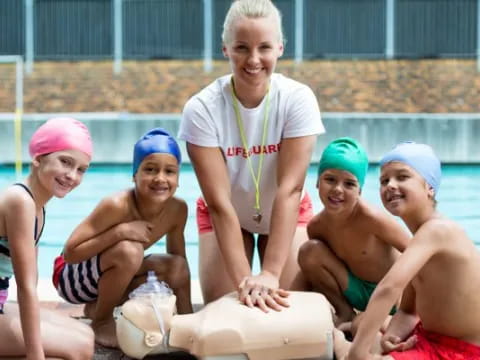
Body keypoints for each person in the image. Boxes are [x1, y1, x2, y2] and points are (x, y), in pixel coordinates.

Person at [178, 0, 324, 312]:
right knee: (229, 313)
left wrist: (270, 273)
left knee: (288, 311)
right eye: (242, 47)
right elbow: (219, 204)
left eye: (264, 48)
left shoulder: (298, 100)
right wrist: (247, 283)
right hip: (227, 212)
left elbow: (290, 189)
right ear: (225, 49)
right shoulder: (202, 109)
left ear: (280, 48)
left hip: (285, 210)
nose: (254, 59)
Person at [52, 128, 193, 348]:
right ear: (134, 174)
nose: (160, 178)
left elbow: (179, 268)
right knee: (130, 250)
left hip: (103, 274)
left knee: (177, 266)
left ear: (178, 177)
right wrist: (120, 232)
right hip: (70, 277)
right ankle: (101, 321)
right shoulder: (117, 205)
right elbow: (70, 253)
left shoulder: (178, 210)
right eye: (150, 169)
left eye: (170, 171)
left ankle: (99, 306)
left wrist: (187, 323)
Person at [338, 142, 480, 360]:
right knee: (363, 325)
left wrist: (357, 353)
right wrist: (392, 336)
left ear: (429, 187)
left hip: (461, 352)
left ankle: (341, 342)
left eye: (402, 177)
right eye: (384, 180)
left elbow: (389, 288)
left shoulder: (438, 230)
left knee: (361, 346)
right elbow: (408, 312)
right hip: (427, 338)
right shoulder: (421, 239)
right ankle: (349, 334)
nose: (390, 185)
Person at [0, 117, 95, 359]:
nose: (72, 175)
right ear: (38, 158)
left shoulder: (37, 207)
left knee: (85, 335)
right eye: (65, 162)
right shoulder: (19, 201)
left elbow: (30, 283)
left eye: (81, 169)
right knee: (79, 347)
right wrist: (36, 354)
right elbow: (25, 288)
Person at [298, 137, 410, 332]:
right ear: (317, 182)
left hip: (390, 294)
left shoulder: (372, 218)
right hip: (353, 289)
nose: (337, 189)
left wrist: (406, 306)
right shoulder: (316, 226)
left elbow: (415, 252)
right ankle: (345, 312)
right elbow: (317, 272)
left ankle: (375, 319)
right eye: (330, 179)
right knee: (309, 251)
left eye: (349, 184)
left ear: (360, 190)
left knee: (370, 329)